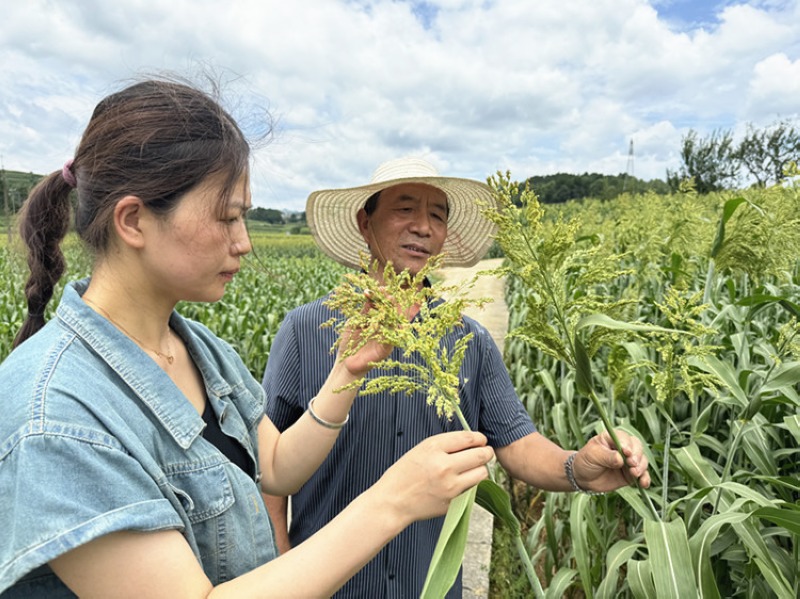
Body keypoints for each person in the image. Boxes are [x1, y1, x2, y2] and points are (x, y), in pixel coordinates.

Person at [0, 81, 496, 598]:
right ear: (134, 220)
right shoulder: (55, 416)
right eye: (228, 217)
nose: (245, 241)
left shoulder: (200, 350)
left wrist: (347, 371)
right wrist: (392, 501)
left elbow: (277, 467)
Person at [262, 157, 652, 598]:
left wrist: (576, 468)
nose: (423, 227)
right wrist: (279, 559)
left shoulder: (469, 340)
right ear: (364, 222)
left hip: (431, 583)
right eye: (405, 209)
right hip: (327, 588)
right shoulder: (305, 330)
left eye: (437, 215)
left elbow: (518, 444)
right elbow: (268, 461)